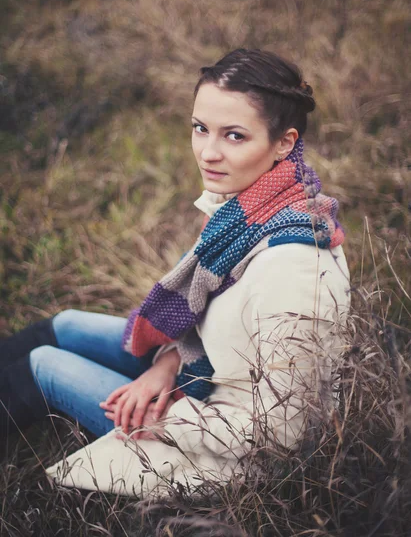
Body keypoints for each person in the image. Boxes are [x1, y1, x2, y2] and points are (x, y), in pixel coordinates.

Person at [0, 49, 350, 496]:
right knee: (66, 323)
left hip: (216, 445)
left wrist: (167, 415)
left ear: (284, 142)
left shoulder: (295, 268)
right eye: (200, 128)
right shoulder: (250, 211)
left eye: (235, 136)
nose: (208, 152)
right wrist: (166, 364)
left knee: (43, 365)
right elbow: (206, 319)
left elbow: (283, 435)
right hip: (199, 374)